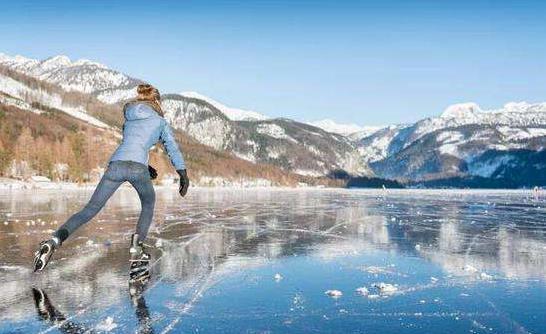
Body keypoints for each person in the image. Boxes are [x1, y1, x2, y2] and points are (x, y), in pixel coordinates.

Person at [33, 84, 190, 281]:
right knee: (148, 204)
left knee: (89, 209)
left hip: (116, 165)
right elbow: (171, 147)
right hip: (136, 167)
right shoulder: (160, 121)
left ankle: (54, 240)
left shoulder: (129, 117)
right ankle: (137, 249)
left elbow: (131, 143)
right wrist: (182, 173)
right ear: (156, 101)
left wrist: (145, 165)